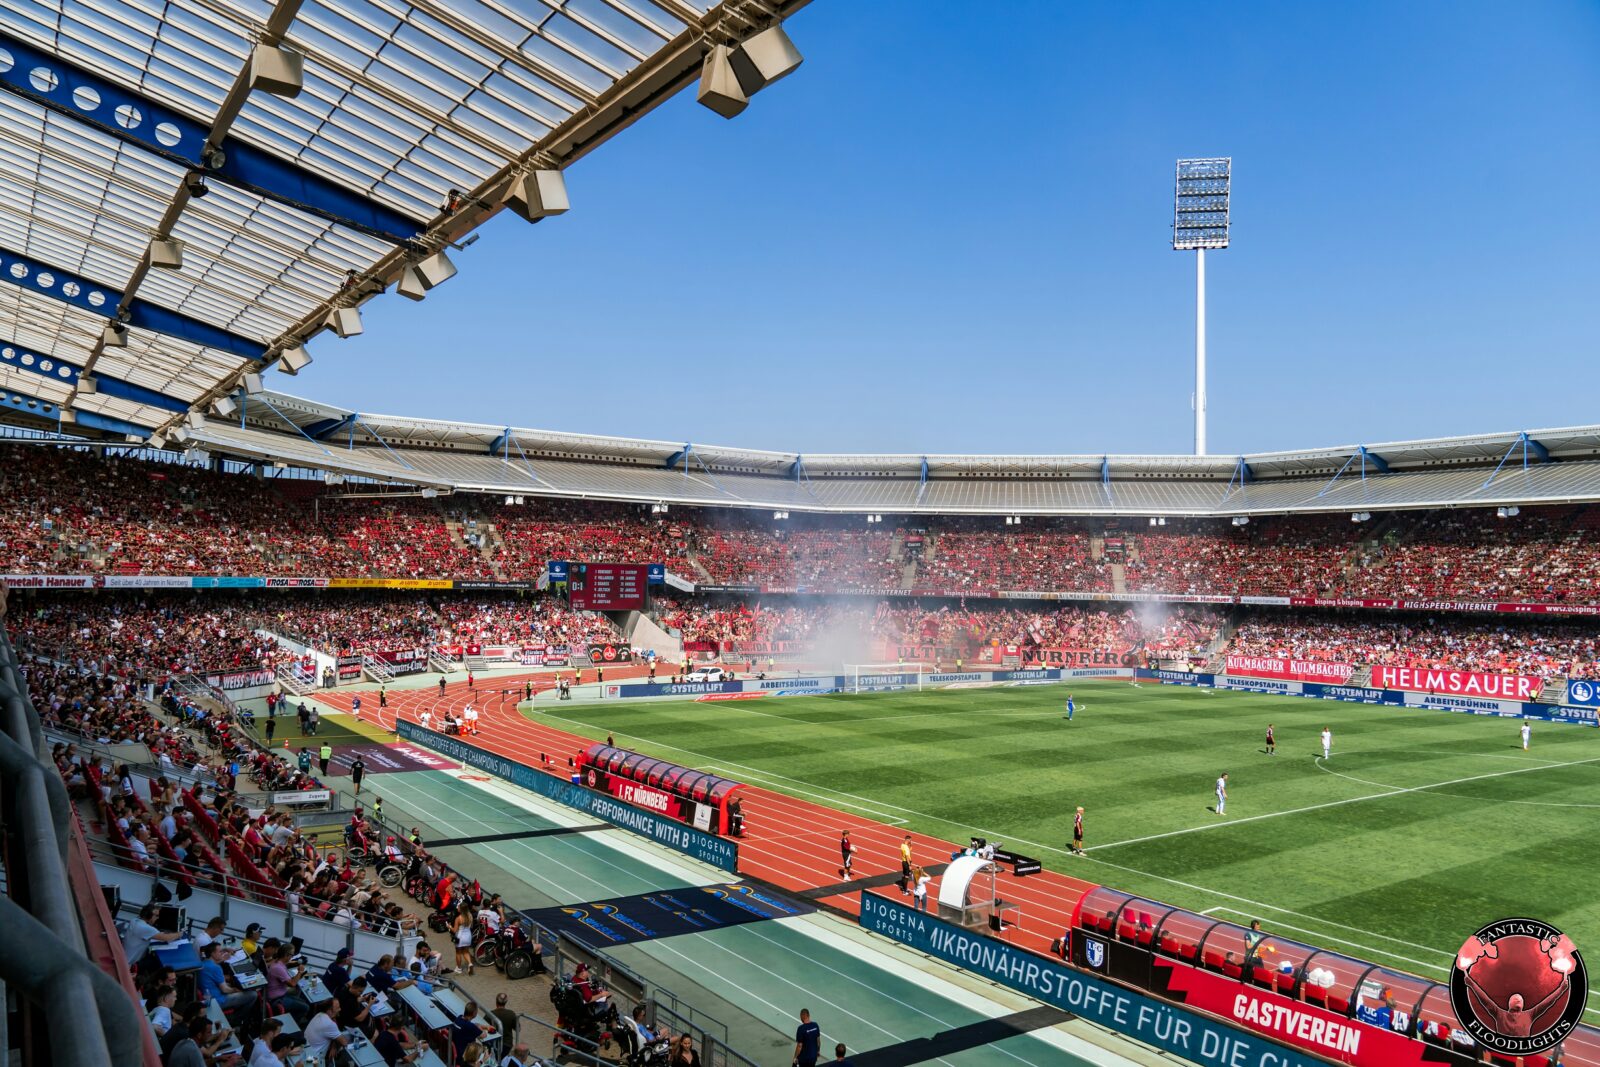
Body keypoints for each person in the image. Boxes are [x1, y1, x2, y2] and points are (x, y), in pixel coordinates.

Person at [199, 942, 259, 1026]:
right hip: (218, 1000)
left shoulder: (203, 963)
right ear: (212, 953)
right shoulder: (216, 968)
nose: (222, 953)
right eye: (220, 952)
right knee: (253, 994)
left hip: (208, 998)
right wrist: (235, 990)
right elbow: (225, 989)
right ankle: (235, 1020)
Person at [122, 901, 181, 970]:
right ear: (148, 915)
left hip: (125, 958)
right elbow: (166, 938)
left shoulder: (134, 920)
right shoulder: (145, 928)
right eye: (156, 916)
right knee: (158, 964)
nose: (158, 918)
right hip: (130, 965)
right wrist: (179, 934)